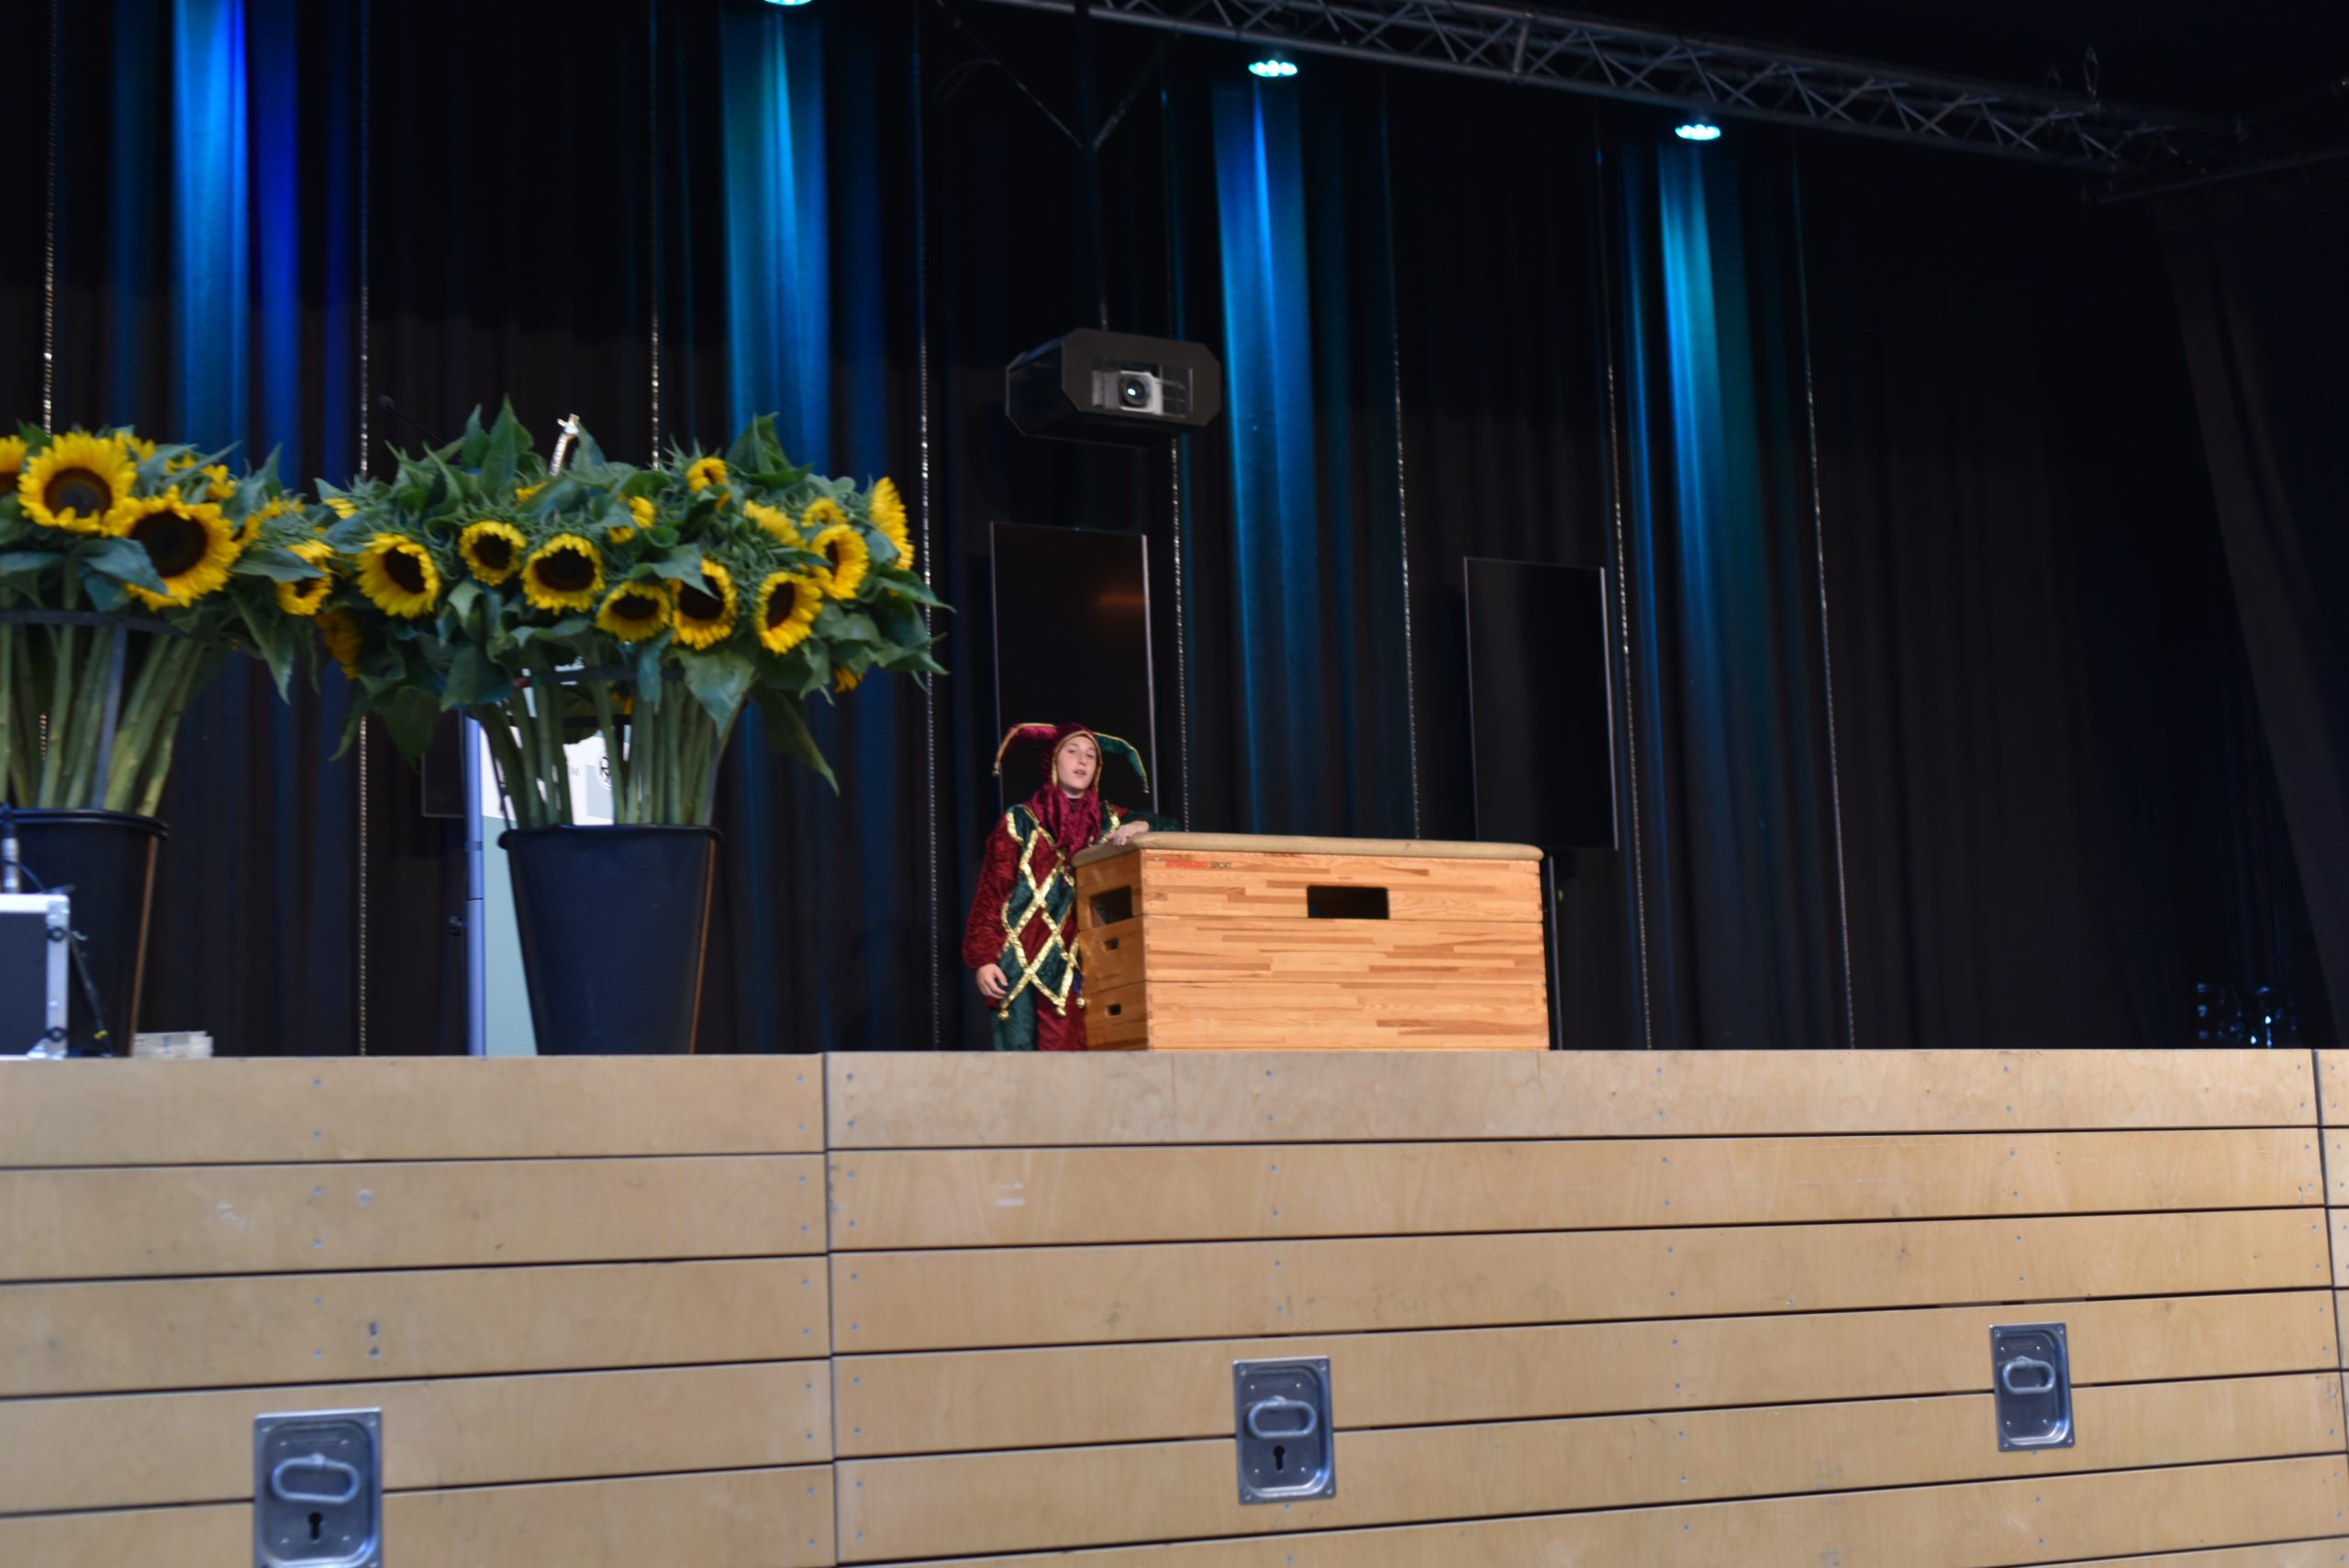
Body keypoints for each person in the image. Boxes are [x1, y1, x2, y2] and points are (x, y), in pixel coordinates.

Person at [963, 723, 1178, 1051]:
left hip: (1076, 961)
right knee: (1016, 1058)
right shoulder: (1020, 821)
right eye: (1073, 751)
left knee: (1069, 1057)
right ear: (1053, 759)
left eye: (1091, 756)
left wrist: (1140, 825)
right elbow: (991, 894)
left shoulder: (1108, 819)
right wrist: (984, 959)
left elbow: (1170, 826)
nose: (1082, 760)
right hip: (1017, 961)